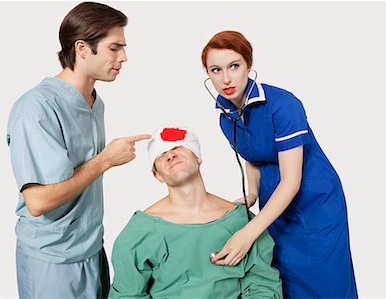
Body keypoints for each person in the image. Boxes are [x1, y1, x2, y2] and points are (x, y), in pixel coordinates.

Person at [6, 2, 150, 298]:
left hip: (92, 250)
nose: (124, 57)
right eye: (114, 48)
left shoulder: (95, 102)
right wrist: (106, 160)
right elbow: (37, 201)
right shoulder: (36, 108)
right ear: (82, 48)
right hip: (53, 259)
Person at [201, 30, 358, 298]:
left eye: (234, 66)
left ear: (248, 65)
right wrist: (252, 193)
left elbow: (292, 180)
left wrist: (248, 233)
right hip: (273, 201)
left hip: (313, 200)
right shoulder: (225, 117)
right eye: (216, 70)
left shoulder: (283, 104)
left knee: (326, 281)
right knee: (285, 277)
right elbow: (251, 157)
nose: (225, 78)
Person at [109, 127, 283, 299]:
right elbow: (128, 294)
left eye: (177, 147)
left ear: (198, 157)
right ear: (157, 175)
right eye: (160, 155)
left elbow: (262, 285)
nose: (170, 155)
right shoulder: (140, 231)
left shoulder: (240, 222)